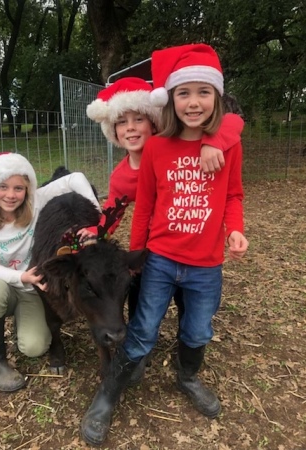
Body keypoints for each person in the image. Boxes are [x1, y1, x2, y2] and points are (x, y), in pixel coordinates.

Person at [81, 43, 249, 446]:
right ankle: (107, 395)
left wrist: (234, 229)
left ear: (217, 98)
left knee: (197, 330)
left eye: (204, 92)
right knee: (142, 329)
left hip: (206, 265)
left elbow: (233, 195)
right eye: (184, 93)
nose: (193, 102)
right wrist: (136, 258)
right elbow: (144, 209)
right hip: (160, 259)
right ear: (171, 99)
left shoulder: (228, 144)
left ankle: (188, 374)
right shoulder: (157, 147)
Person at [80, 76, 244, 320]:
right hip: (153, 248)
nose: (131, 128)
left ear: (154, 123)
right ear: (113, 131)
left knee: (185, 300)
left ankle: (186, 333)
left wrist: (214, 141)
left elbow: (232, 120)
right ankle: (138, 334)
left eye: (139, 119)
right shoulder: (122, 176)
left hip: (186, 243)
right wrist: (97, 230)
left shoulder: (170, 149)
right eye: (122, 122)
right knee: (140, 289)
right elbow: (113, 210)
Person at [0, 152, 100, 392]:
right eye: (2, 186)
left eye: (19, 188)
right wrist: (23, 276)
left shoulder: (35, 202)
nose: (11, 195)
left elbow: (76, 178)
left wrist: (97, 220)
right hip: (7, 286)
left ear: (27, 188)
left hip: (33, 289)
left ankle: (24, 319)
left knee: (34, 347)